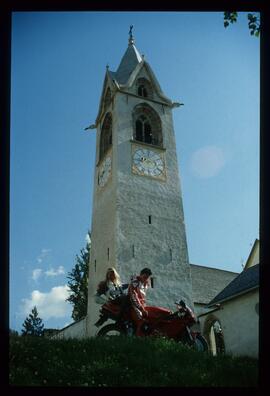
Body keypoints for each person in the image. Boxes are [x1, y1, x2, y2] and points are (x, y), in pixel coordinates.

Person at [128, 267, 170, 336]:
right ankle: (137, 338)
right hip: (133, 306)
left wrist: (143, 307)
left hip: (142, 306)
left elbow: (142, 298)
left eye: (147, 277)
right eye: (144, 276)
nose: (146, 279)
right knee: (142, 320)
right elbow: (134, 298)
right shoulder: (135, 282)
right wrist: (142, 309)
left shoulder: (145, 284)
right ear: (141, 274)